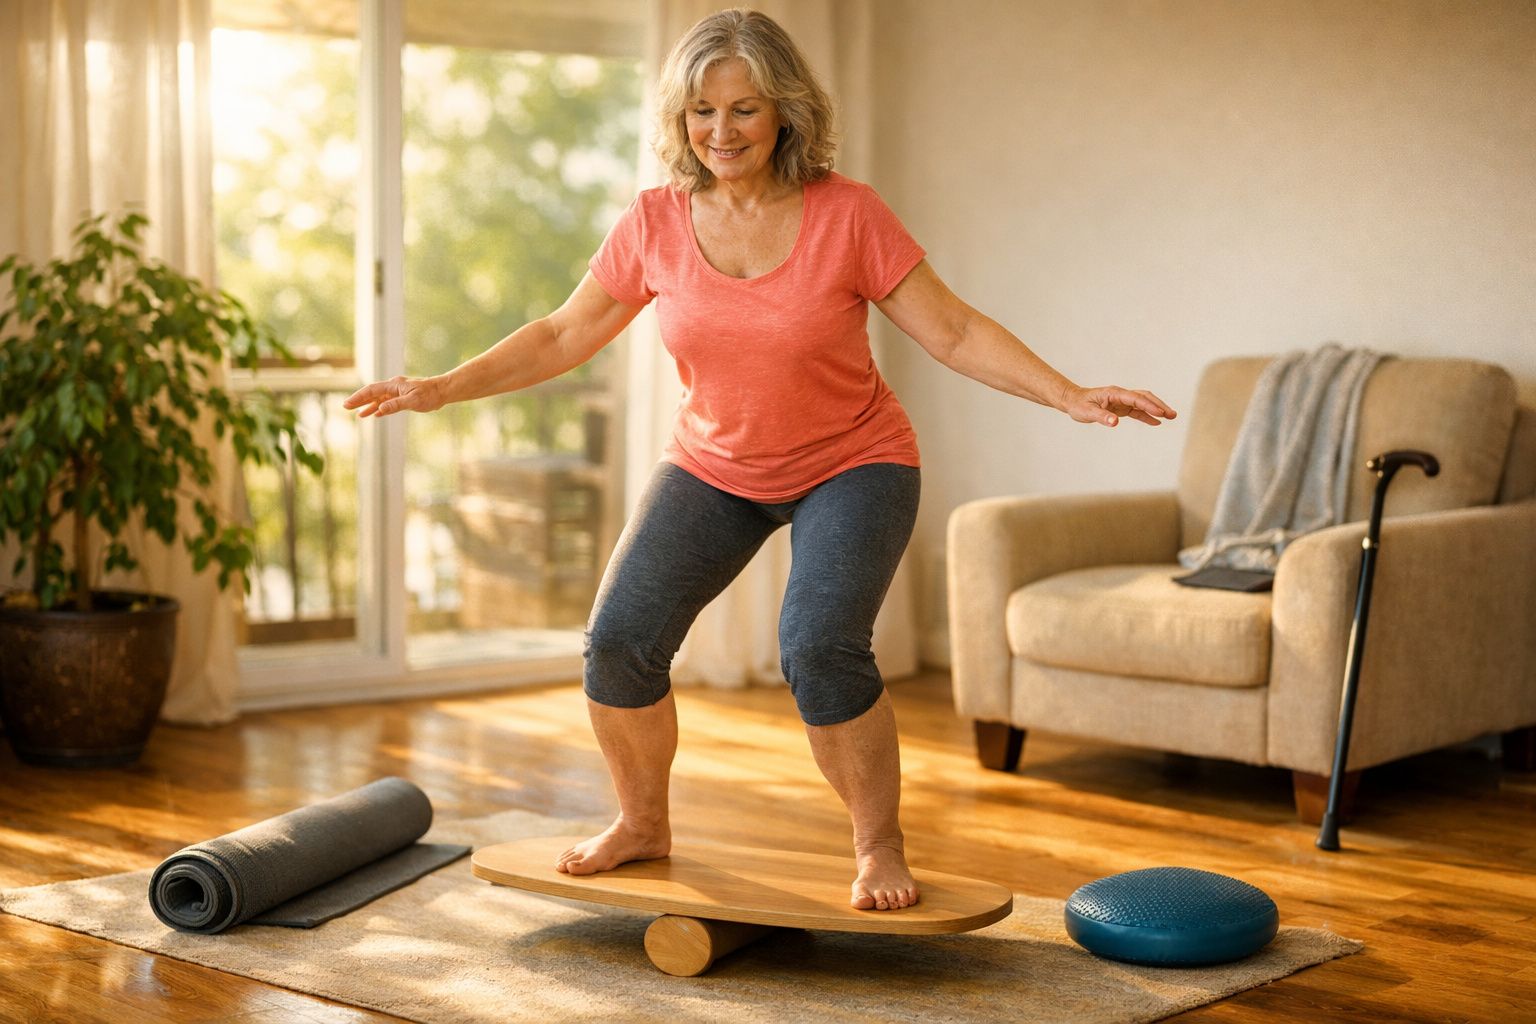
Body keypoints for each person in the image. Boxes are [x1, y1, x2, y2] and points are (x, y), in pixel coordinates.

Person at [344, 8, 1175, 912]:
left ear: (785, 111)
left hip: (853, 462)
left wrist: (1067, 393)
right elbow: (561, 333)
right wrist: (442, 387)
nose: (722, 131)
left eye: (744, 109)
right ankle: (642, 823)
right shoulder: (655, 220)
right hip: (713, 466)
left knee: (819, 648)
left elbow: (954, 329)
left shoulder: (847, 214)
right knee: (619, 643)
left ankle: (879, 844)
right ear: (680, 118)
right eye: (702, 111)